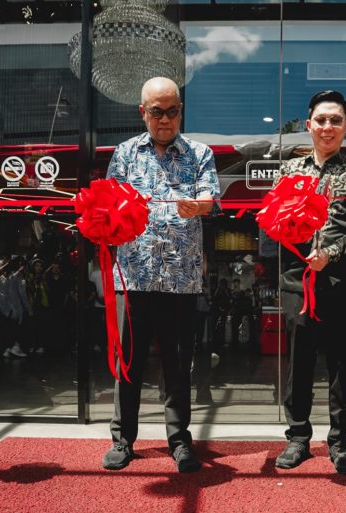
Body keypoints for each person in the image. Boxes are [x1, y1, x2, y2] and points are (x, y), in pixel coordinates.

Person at [101, 77, 220, 472]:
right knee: (128, 363)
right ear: (143, 112)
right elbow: (109, 206)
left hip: (180, 280)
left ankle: (179, 441)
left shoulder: (200, 153)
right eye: (157, 111)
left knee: (178, 364)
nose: (165, 119)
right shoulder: (124, 153)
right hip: (133, 277)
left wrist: (199, 206)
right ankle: (123, 439)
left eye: (172, 111)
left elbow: (210, 196)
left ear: (180, 111)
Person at [274, 90, 346, 475]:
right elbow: (273, 219)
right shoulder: (289, 170)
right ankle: (298, 438)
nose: (327, 127)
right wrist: (299, 246)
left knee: (342, 366)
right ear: (309, 125)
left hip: (342, 282)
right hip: (297, 281)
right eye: (321, 120)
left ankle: (339, 443)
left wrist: (330, 253)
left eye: (335, 120)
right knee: (299, 363)